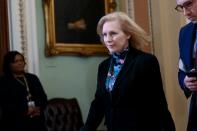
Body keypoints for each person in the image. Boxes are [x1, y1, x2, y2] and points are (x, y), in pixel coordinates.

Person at [80, 11, 175, 131]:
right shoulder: (103, 66)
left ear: (128, 34)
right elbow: (99, 102)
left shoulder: (145, 61)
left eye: (113, 33)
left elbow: (158, 103)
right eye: (104, 34)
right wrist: (87, 127)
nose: (108, 39)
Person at [0, 51, 48, 131]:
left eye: (21, 60)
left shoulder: (33, 78)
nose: (20, 63)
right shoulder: (3, 81)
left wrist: (37, 108)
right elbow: (5, 103)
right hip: (15, 123)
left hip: (36, 120)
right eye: (16, 61)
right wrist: (25, 110)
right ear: (8, 64)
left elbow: (43, 97)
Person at [175, 0, 197, 130]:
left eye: (188, 4)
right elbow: (182, 69)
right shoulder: (184, 32)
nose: (185, 13)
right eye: (181, 7)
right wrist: (185, 81)